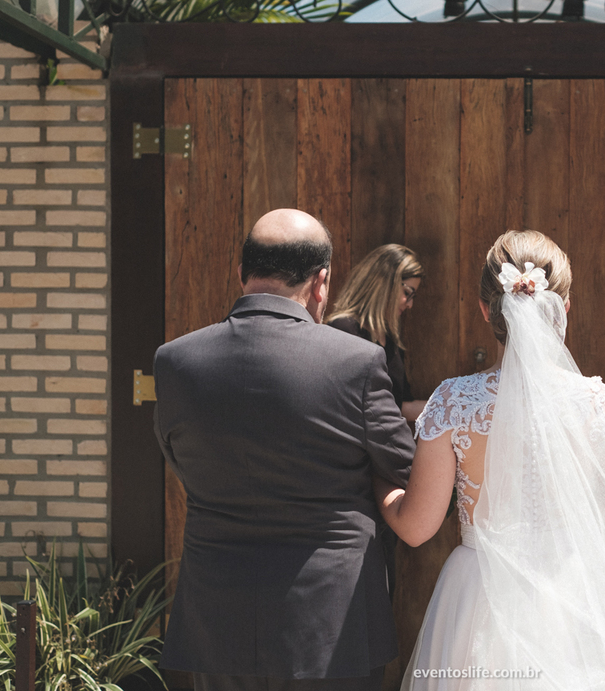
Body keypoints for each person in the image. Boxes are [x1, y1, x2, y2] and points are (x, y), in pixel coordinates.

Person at [375, 230, 605, 691]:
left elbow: (416, 527)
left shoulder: (453, 402)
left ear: (487, 309)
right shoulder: (594, 401)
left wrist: (381, 485)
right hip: (575, 590)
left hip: (479, 590)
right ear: (563, 308)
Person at [153, 209, 416, 691]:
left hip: (218, 617)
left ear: (241, 274)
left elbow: (179, 459)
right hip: (331, 621)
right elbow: (405, 469)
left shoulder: (174, 362)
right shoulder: (357, 362)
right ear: (321, 282)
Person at [327, 243, 426, 422]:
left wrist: (455, 406)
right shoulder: (343, 330)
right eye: (407, 292)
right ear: (385, 282)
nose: (410, 304)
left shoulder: (390, 340)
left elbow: (401, 406)